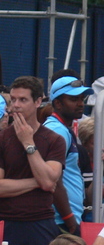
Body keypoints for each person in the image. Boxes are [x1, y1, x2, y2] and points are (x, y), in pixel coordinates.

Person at [0, 76, 66, 245]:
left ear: (38, 102)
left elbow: (49, 182)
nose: (16, 105)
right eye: (13, 100)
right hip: (6, 221)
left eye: (23, 100)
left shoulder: (54, 140)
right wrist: (37, 182)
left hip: (40, 221)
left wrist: (28, 143)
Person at [45, 75, 92, 234]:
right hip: (60, 221)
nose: (80, 104)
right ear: (57, 103)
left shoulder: (61, 129)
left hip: (62, 219)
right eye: (74, 99)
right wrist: (69, 219)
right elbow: (53, 180)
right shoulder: (57, 130)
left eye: (81, 98)